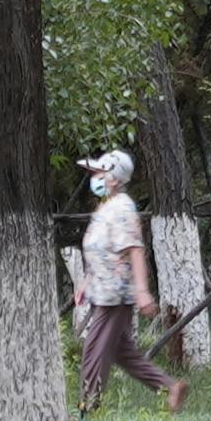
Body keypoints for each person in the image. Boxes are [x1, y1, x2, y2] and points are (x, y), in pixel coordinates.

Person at [75, 146, 171, 403]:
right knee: (121, 352)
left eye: (100, 172)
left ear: (116, 178)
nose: (94, 177)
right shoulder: (107, 206)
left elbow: (134, 250)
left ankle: (88, 404)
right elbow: (100, 249)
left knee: (93, 348)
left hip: (116, 294)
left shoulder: (123, 208)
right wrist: (86, 281)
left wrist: (142, 292)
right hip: (102, 290)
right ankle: (170, 389)